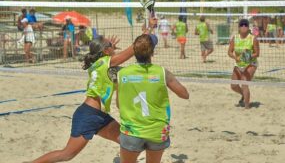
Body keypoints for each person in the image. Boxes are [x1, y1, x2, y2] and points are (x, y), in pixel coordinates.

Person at [31, 18, 159, 163]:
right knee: (66, 154)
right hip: (88, 115)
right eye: (111, 45)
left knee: (128, 143)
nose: (114, 46)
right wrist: (148, 29)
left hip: (100, 117)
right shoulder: (105, 63)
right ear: (105, 50)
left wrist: (111, 50)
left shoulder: (99, 64)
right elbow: (135, 48)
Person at [117, 34, 189, 163]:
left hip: (132, 130)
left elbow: (118, 104)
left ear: (134, 52)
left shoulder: (122, 74)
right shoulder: (162, 72)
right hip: (157, 130)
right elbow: (184, 95)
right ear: (152, 52)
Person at [228, 19, 260, 109]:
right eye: (242, 25)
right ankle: (243, 95)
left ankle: (247, 106)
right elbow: (229, 52)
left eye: (245, 25)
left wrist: (248, 56)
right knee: (233, 85)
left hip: (251, 63)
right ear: (239, 27)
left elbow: (257, 53)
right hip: (238, 63)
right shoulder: (235, 38)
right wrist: (235, 57)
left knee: (244, 83)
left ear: (248, 27)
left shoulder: (253, 38)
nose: (243, 26)